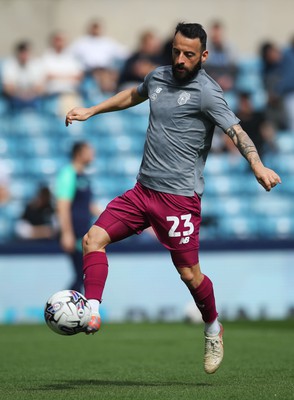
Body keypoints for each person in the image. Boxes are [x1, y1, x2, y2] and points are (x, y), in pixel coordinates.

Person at [65, 23, 281, 374]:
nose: (180, 59)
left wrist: (257, 165)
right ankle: (91, 310)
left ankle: (213, 327)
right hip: (142, 191)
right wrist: (92, 109)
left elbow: (236, 131)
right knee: (92, 240)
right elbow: (134, 95)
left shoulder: (207, 92)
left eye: (189, 55)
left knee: (189, 275)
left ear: (204, 56)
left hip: (179, 200)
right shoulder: (158, 77)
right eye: (176, 52)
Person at [55, 142, 101, 293]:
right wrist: (67, 233)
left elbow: (89, 206)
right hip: (74, 232)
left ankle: (70, 309)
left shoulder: (84, 176)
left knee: (83, 274)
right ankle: (62, 307)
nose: (93, 154)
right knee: (81, 273)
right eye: (89, 151)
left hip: (83, 231)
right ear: (79, 153)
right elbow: (62, 205)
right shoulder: (68, 174)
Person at [1, 41, 44, 111]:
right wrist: (21, 94)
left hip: (33, 99)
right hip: (15, 99)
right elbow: (7, 88)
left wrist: (29, 94)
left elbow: (40, 88)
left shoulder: (37, 64)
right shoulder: (9, 64)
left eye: (26, 52)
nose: (24, 55)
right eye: (22, 52)